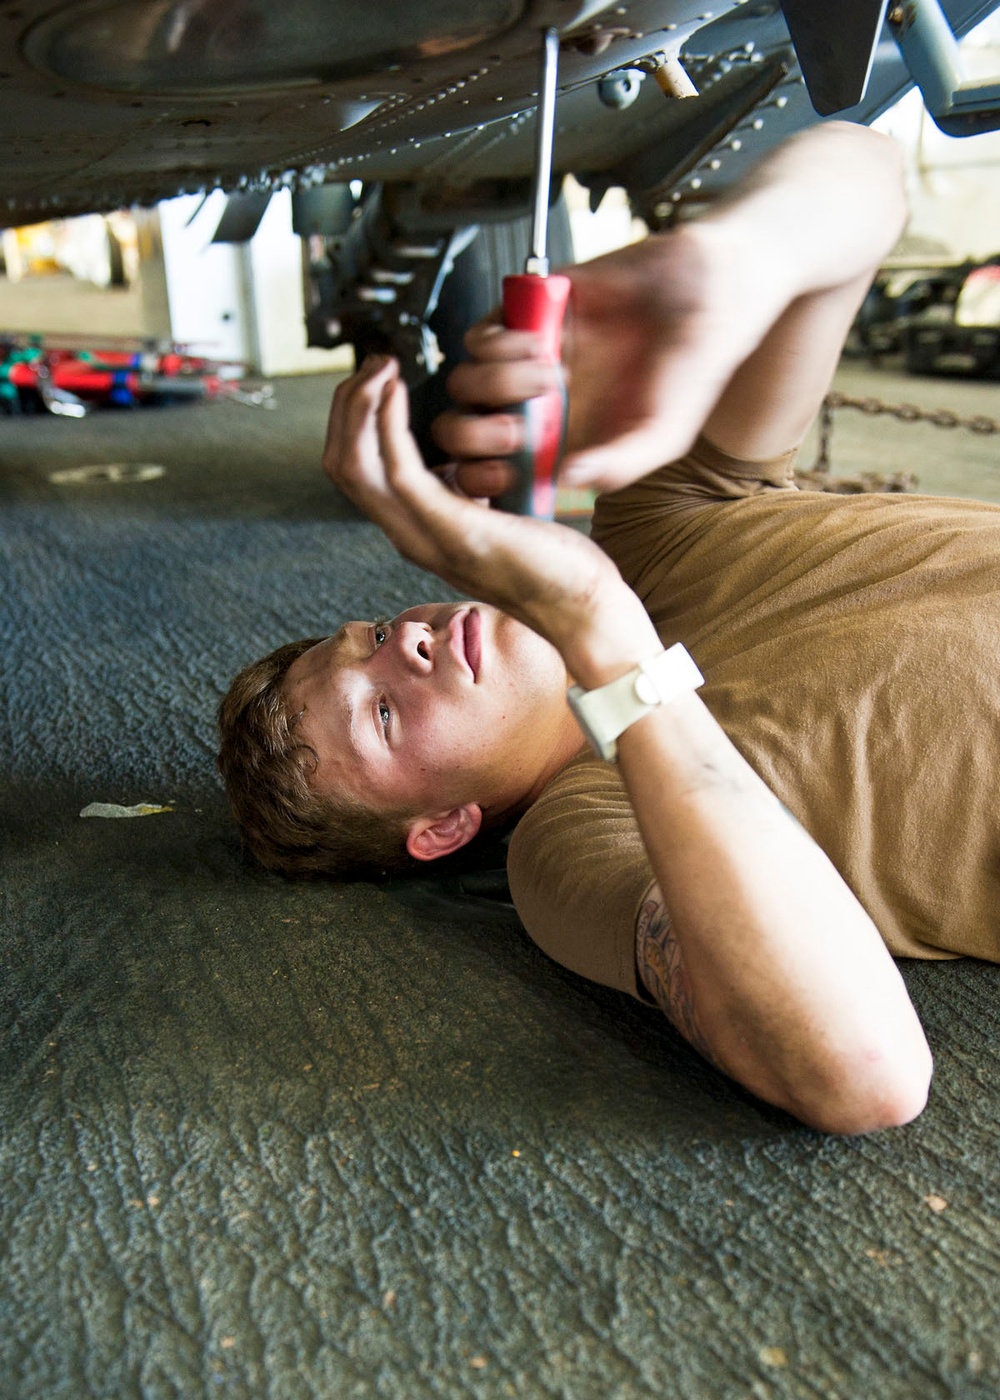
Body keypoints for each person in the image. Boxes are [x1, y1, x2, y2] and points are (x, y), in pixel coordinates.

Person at [219, 121, 1000, 1135]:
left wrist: (736, 261)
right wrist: (595, 621)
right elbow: (863, 1074)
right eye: (380, 716)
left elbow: (867, 168)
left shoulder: (657, 521)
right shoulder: (570, 844)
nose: (401, 646)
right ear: (446, 825)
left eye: (369, 636)